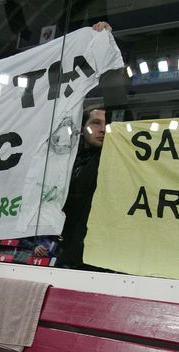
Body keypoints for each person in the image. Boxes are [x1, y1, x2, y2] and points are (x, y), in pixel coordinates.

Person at [55, 107, 110, 270]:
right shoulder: (65, 160)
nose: (103, 130)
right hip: (64, 249)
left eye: (107, 125)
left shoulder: (111, 162)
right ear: (81, 128)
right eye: (96, 123)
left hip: (95, 255)